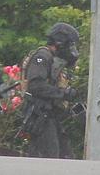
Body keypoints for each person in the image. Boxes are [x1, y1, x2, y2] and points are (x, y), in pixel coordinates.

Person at [20, 22, 80, 159]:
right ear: (60, 43)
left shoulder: (52, 59)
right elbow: (35, 86)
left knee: (66, 155)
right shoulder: (42, 56)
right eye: (70, 44)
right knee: (50, 157)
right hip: (40, 115)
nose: (72, 49)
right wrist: (63, 93)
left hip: (49, 116)